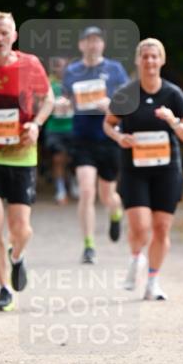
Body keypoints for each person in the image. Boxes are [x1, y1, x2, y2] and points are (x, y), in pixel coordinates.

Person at [103, 38, 183, 301]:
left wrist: (173, 121)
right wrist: (119, 137)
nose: (150, 61)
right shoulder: (126, 94)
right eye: (145, 56)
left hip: (167, 170)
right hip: (134, 169)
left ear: (162, 60)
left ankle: (153, 282)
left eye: (155, 56)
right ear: (138, 60)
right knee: (141, 227)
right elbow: (108, 124)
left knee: (162, 228)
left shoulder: (173, 94)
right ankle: (135, 259)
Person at [0, 11, 53, 311]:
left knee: (21, 228)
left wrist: (36, 124)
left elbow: (48, 98)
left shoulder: (30, 65)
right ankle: (3, 289)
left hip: (21, 154)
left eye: (4, 33)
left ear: (13, 36)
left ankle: (17, 256)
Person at [63, 26, 128, 264]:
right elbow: (66, 99)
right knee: (86, 190)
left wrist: (111, 104)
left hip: (108, 138)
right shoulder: (72, 71)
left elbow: (127, 101)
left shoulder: (115, 69)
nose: (92, 45)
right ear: (81, 45)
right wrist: (62, 106)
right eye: (88, 41)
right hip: (83, 139)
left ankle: (115, 212)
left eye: (96, 40)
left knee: (108, 195)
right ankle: (89, 246)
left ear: (102, 45)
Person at [43, 56, 73, 204]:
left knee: (72, 159)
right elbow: (39, 104)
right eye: (57, 66)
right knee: (58, 159)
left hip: (72, 127)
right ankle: (60, 190)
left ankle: (72, 182)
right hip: (54, 127)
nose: (60, 69)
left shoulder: (74, 83)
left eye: (63, 66)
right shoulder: (47, 84)